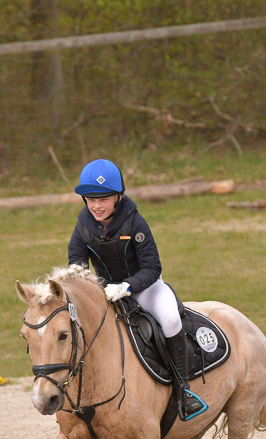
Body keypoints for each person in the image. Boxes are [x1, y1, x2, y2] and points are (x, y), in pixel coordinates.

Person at [68, 158, 206, 421]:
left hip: (146, 287)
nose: (96, 205)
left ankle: (184, 390)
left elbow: (152, 267)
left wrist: (127, 287)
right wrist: (88, 289)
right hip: (106, 293)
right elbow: (76, 264)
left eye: (103, 199)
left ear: (118, 196)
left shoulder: (135, 222)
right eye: (90, 199)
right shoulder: (83, 226)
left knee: (170, 319)